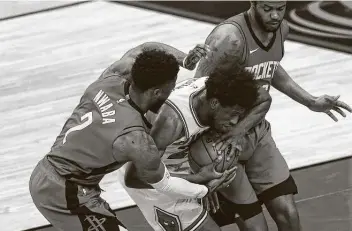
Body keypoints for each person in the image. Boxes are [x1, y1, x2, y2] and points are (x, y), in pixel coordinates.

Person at [29, 47, 235, 231]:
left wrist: (183, 60)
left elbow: (146, 48)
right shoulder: (136, 140)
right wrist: (204, 187)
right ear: (156, 92)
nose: (170, 94)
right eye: (170, 89)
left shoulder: (111, 78)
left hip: (51, 173)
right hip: (64, 191)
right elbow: (165, 185)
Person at [194, 1, 352, 231]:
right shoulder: (229, 39)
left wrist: (310, 101)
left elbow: (270, 66)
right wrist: (197, 156)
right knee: (255, 226)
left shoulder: (281, 28)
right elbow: (197, 90)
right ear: (253, 3)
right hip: (221, 139)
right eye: (268, 9)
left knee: (288, 213)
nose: (275, 15)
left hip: (256, 131)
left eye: (281, 7)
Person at [121, 65, 261, 231]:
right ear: (215, 103)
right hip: (147, 179)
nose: (234, 122)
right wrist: (199, 181)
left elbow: (264, 98)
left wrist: (239, 132)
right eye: (233, 114)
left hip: (176, 164)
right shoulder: (171, 122)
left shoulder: (214, 91)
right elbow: (135, 178)